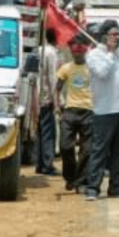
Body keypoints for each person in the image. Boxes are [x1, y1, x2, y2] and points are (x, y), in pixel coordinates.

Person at [83, 20, 119, 200]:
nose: (117, 38)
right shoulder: (95, 55)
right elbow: (102, 73)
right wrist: (110, 54)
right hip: (104, 110)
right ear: (104, 36)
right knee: (99, 150)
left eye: (118, 35)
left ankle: (115, 187)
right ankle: (93, 188)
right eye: (113, 34)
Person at [57, 34, 95, 191]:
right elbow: (57, 87)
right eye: (75, 51)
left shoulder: (93, 68)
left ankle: (80, 180)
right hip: (70, 110)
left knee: (87, 149)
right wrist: (56, 102)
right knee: (65, 146)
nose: (77, 54)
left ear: (86, 50)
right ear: (71, 52)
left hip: (90, 111)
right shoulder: (66, 68)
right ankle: (70, 176)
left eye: (81, 50)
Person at [34, 29, 59, 176]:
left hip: (35, 99)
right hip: (45, 98)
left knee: (38, 133)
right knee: (48, 133)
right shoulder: (51, 53)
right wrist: (55, 100)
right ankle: (47, 165)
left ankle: (39, 163)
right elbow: (52, 78)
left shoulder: (36, 51)